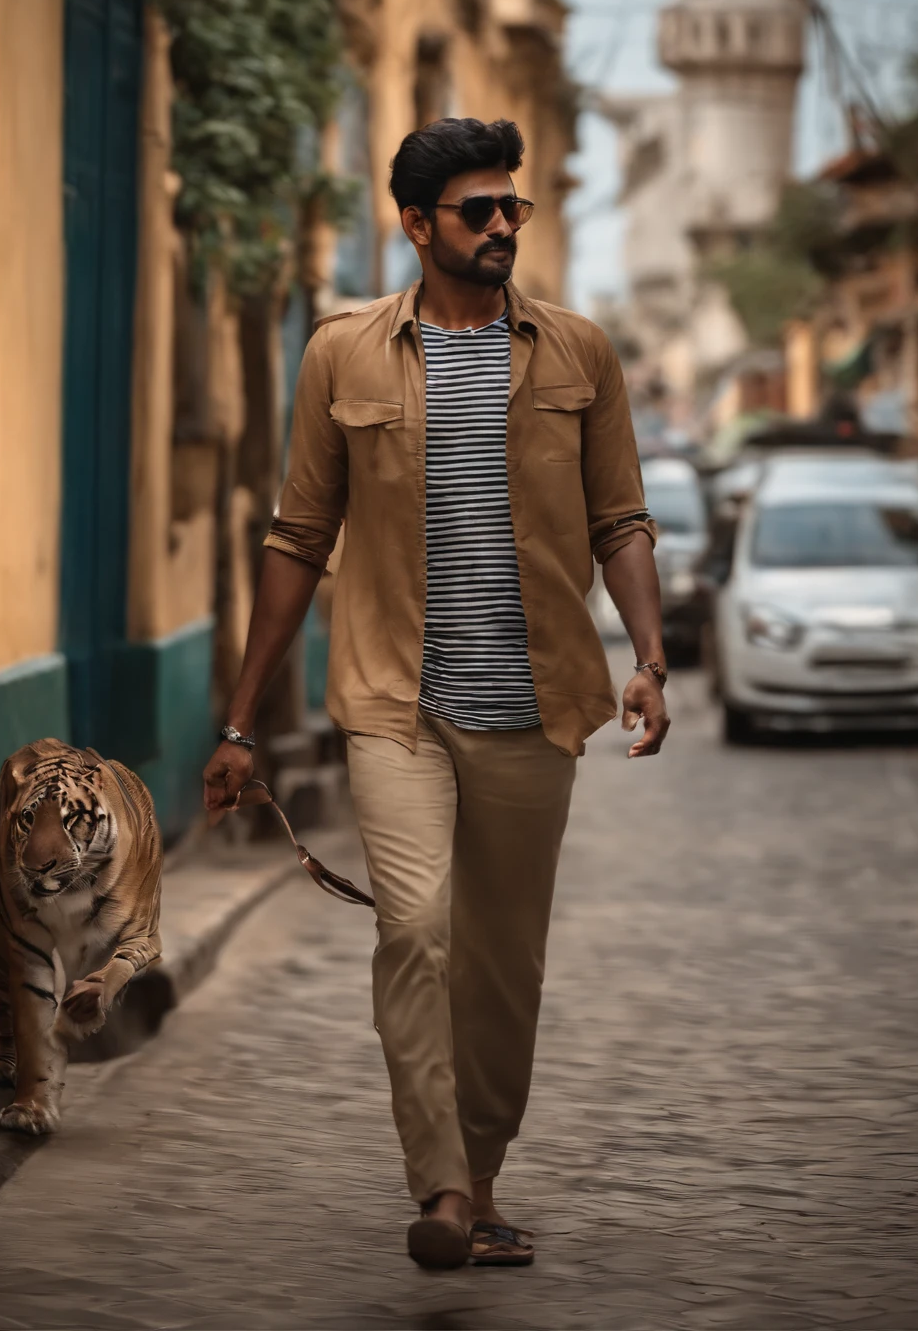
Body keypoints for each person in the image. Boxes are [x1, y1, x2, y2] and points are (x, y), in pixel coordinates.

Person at [202, 116, 670, 1270]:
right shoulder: (342, 354)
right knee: (414, 929)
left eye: (514, 207)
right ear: (416, 226)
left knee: (503, 961)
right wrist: (241, 719)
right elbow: (298, 535)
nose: (506, 224)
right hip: (391, 702)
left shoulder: (580, 354)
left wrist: (650, 661)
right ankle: (444, 1189)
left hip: (534, 704)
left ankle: (487, 1170)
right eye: (480, 210)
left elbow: (621, 520)